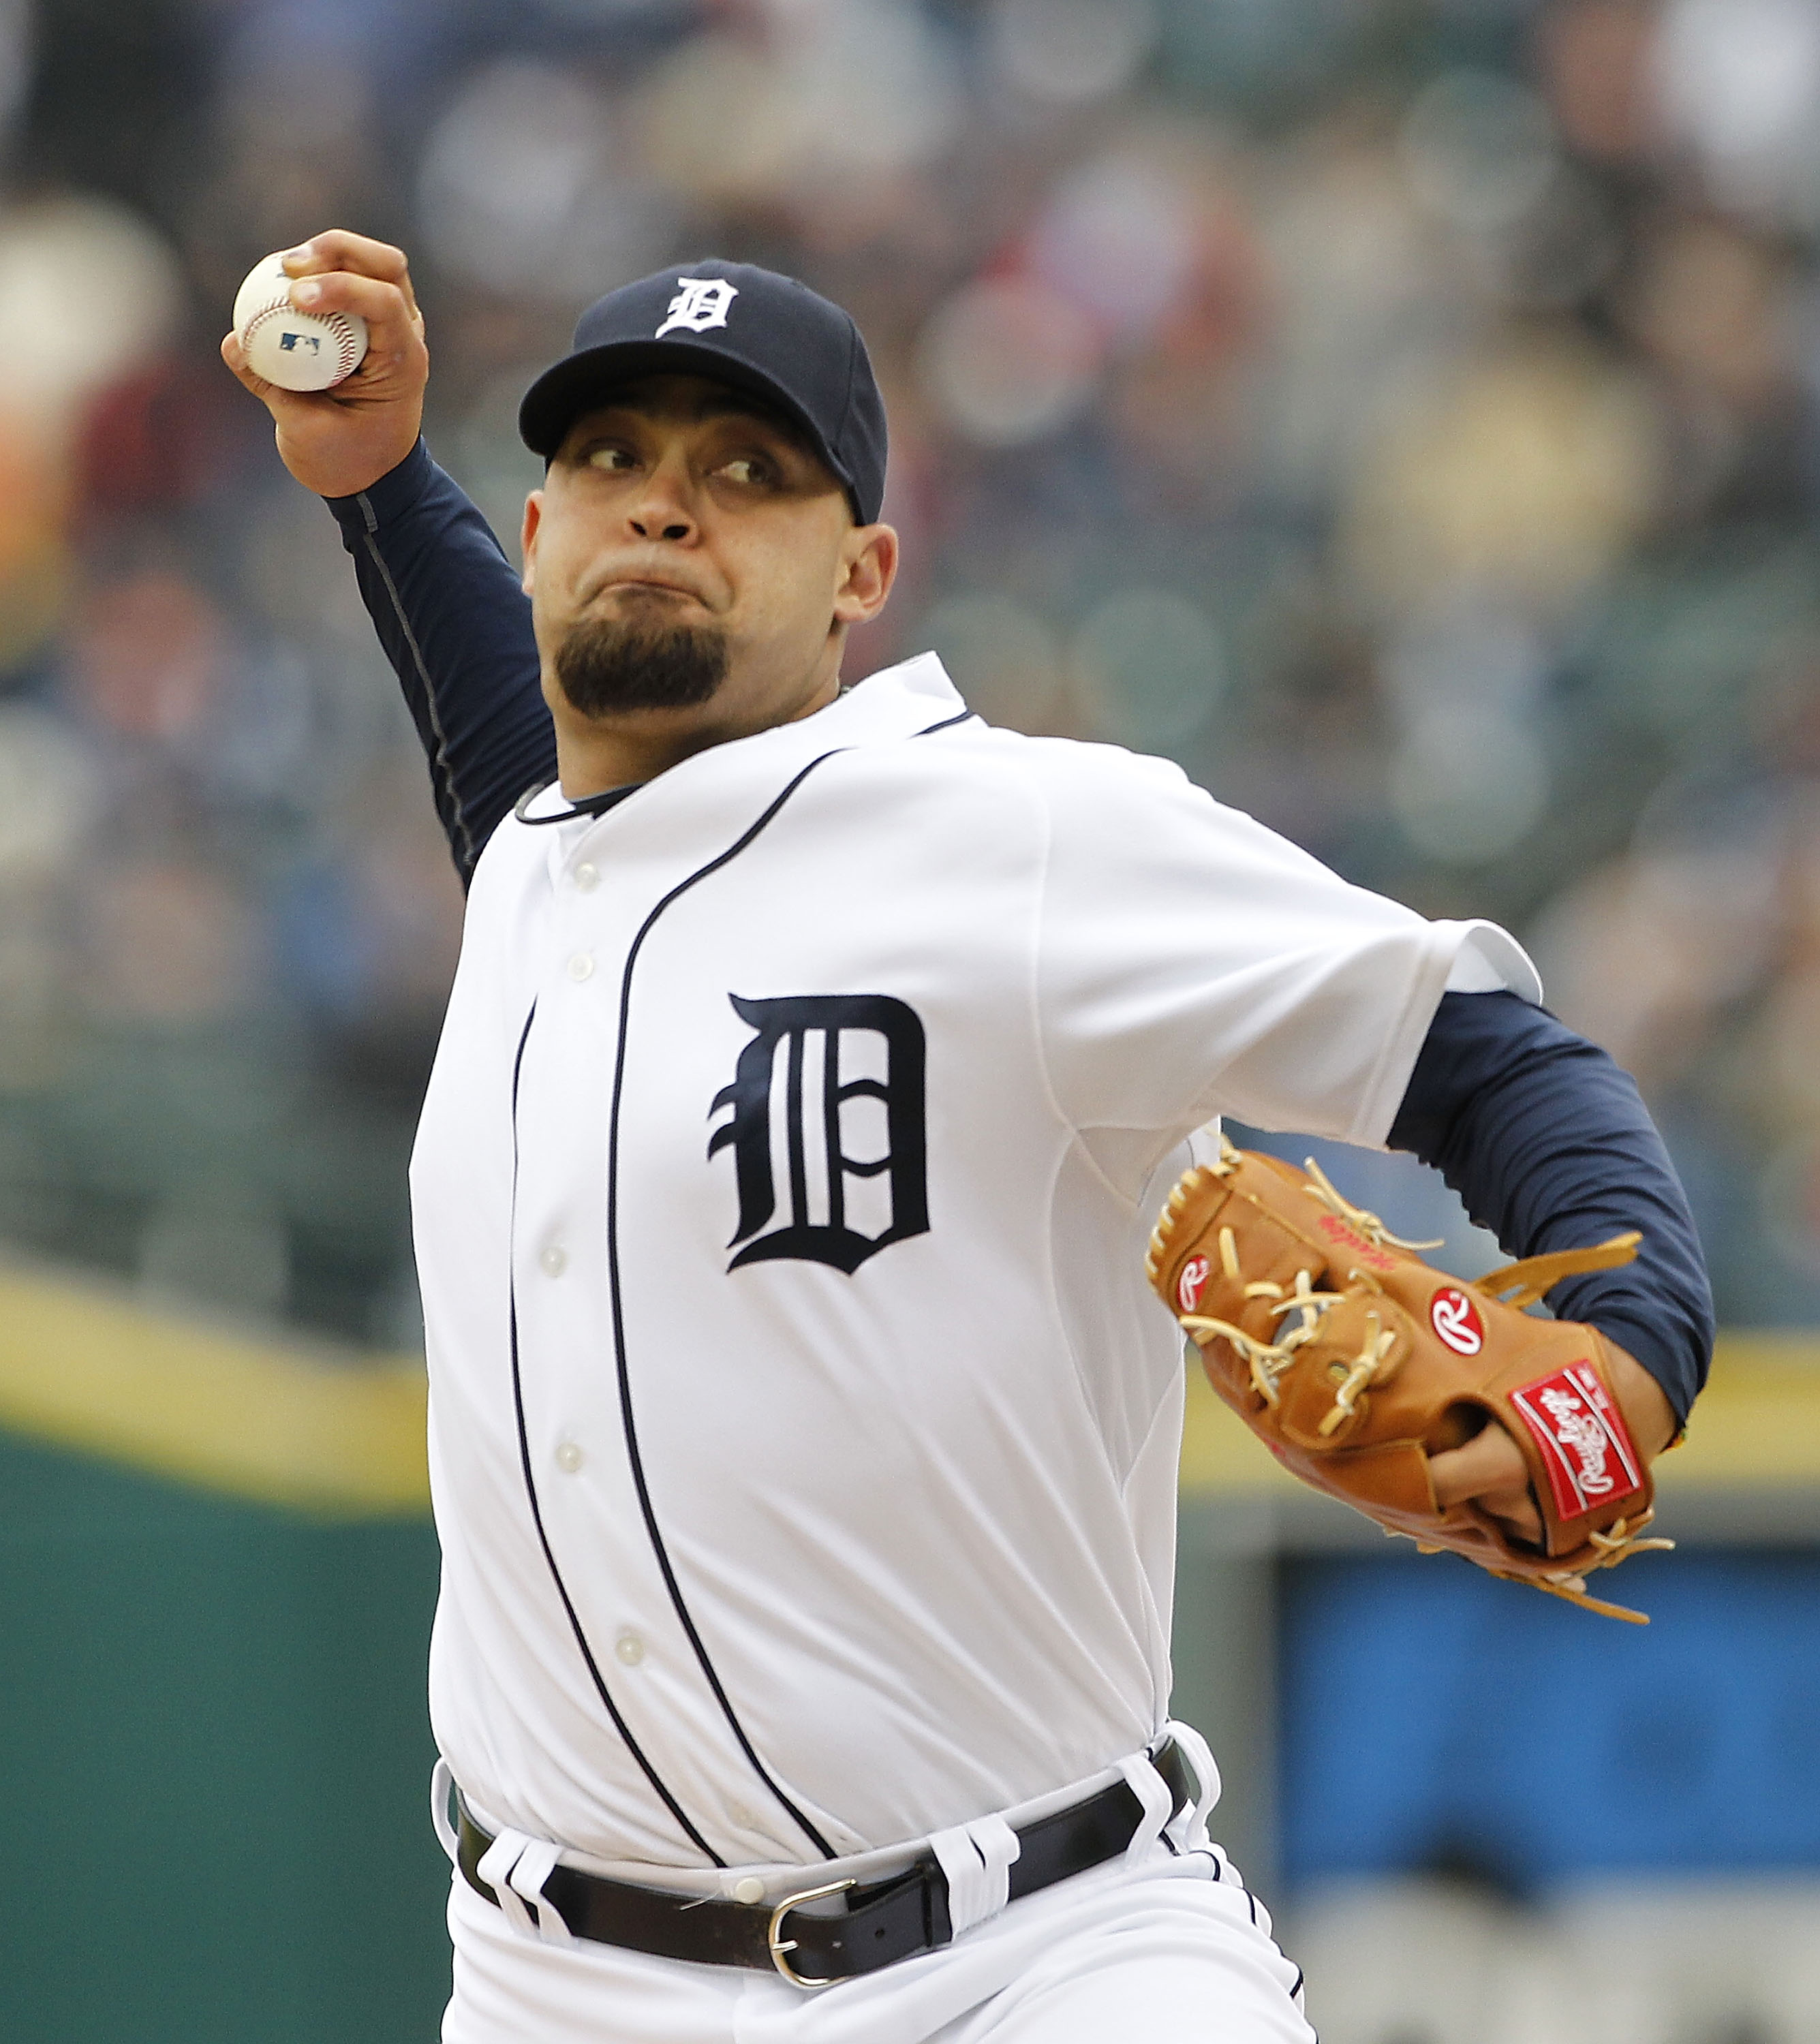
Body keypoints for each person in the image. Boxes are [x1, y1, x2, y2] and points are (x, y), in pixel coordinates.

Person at [223, 234, 1713, 2044]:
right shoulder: (544, 864)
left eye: (749, 474)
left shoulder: (1016, 841)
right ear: (537, 536)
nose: (666, 509)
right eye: (611, 462)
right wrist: (376, 476)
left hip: (1041, 1961)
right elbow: (503, 736)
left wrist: (1633, 1350)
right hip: (555, 1988)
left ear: (864, 572)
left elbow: (1483, 1054)